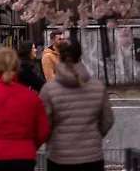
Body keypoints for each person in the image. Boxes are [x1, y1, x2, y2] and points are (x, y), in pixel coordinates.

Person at [40, 39, 114, 171]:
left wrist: (54, 140)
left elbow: (43, 125)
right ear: (81, 56)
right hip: (92, 157)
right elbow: (107, 120)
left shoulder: (49, 90)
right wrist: (93, 136)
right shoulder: (98, 87)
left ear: (59, 57)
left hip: (59, 157)